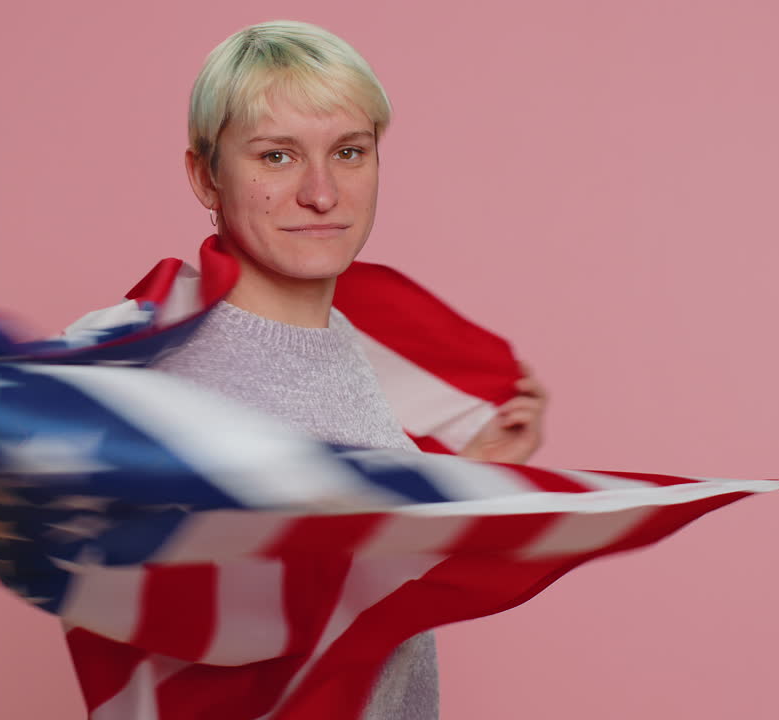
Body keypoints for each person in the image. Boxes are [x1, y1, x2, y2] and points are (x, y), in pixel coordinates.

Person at [142, 19, 550, 718]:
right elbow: (256, 629)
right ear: (206, 176)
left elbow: (365, 575)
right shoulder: (189, 389)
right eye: (276, 157)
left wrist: (471, 474)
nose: (322, 193)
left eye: (350, 151)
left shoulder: (350, 340)